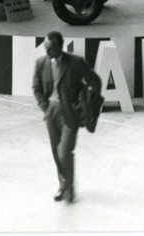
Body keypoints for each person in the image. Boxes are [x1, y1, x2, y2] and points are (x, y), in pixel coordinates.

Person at [32, 30, 101, 204]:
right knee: (57, 152)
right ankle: (64, 186)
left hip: (71, 113)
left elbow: (94, 81)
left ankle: (67, 187)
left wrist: (84, 103)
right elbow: (36, 88)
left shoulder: (76, 62)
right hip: (51, 112)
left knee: (64, 152)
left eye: (51, 49)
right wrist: (45, 107)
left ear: (60, 47)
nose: (47, 52)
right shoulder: (41, 63)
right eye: (46, 48)